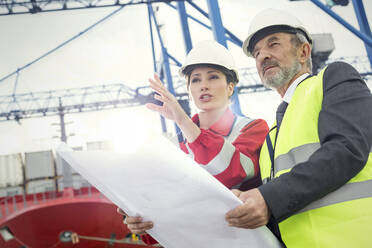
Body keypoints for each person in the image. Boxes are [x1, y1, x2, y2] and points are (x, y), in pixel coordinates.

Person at [225, 8, 372, 248]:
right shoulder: (272, 136)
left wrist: (268, 198)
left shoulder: (333, 79)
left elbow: (347, 149)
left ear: (304, 52)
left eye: (273, 44)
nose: (263, 56)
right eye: (257, 53)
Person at [117, 40, 269, 244]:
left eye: (213, 77)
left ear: (230, 87)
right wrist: (141, 222)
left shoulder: (253, 128)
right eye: (195, 80)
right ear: (189, 90)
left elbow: (231, 172)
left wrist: (182, 120)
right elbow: (167, 217)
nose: (204, 85)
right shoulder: (175, 150)